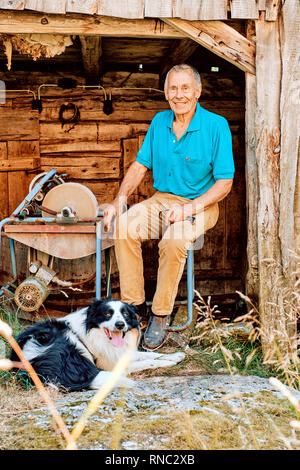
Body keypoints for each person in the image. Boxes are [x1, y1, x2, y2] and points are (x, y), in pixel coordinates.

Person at [103, 64, 235, 351]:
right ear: (165, 93)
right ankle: (133, 309)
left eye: (185, 88)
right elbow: (139, 166)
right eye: (173, 88)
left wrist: (188, 210)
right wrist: (119, 200)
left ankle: (161, 314)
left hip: (200, 205)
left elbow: (224, 184)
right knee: (123, 226)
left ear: (197, 91)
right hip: (162, 200)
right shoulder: (160, 122)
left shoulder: (216, 125)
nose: (179, 94)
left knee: (174, 239)